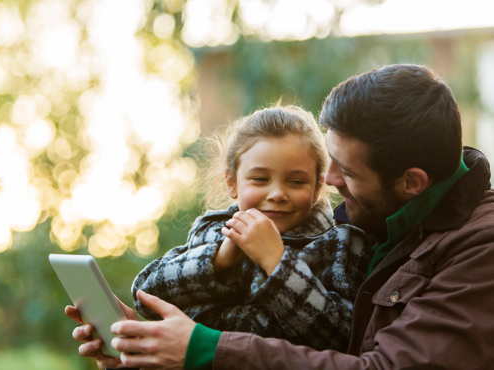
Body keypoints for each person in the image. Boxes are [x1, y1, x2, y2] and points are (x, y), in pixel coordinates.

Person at [68, 64, 494, 370]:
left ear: (411, 182)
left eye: (345, 171)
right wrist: (148, 347)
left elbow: (354, 350)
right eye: (331, 162)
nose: (328, 182)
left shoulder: (477, 247)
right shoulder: (386, 220)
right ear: (231, 182)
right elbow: (158, 291)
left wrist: (204, 349)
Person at [131, 105, 369, 351]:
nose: (277, 194)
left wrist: (278, 264)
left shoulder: (341, 242)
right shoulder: (214, 231)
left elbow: (345, 338)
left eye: (296, 182)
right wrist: (218, 261)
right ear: (232, 183)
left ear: (317, 188)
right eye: (260, 179)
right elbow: (144, 298)